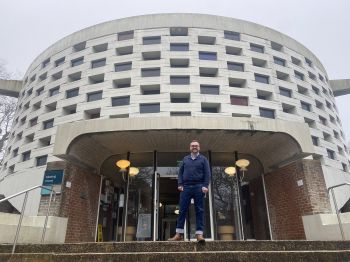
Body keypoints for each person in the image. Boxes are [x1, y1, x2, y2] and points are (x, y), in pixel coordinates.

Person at [168, 140, 211, 242]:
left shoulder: (203, 159)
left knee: (199, 210)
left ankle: (199, 235)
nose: (194, 147)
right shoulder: (185, 159)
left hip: (199, 186)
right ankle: (178, 234)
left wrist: (205, 185)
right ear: (190, 148)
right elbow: (180, 173)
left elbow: (207, 173)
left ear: (199, 148)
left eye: (196, 146)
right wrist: (180, 184)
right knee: (182, 210)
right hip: (186, 187)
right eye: (192, 146)